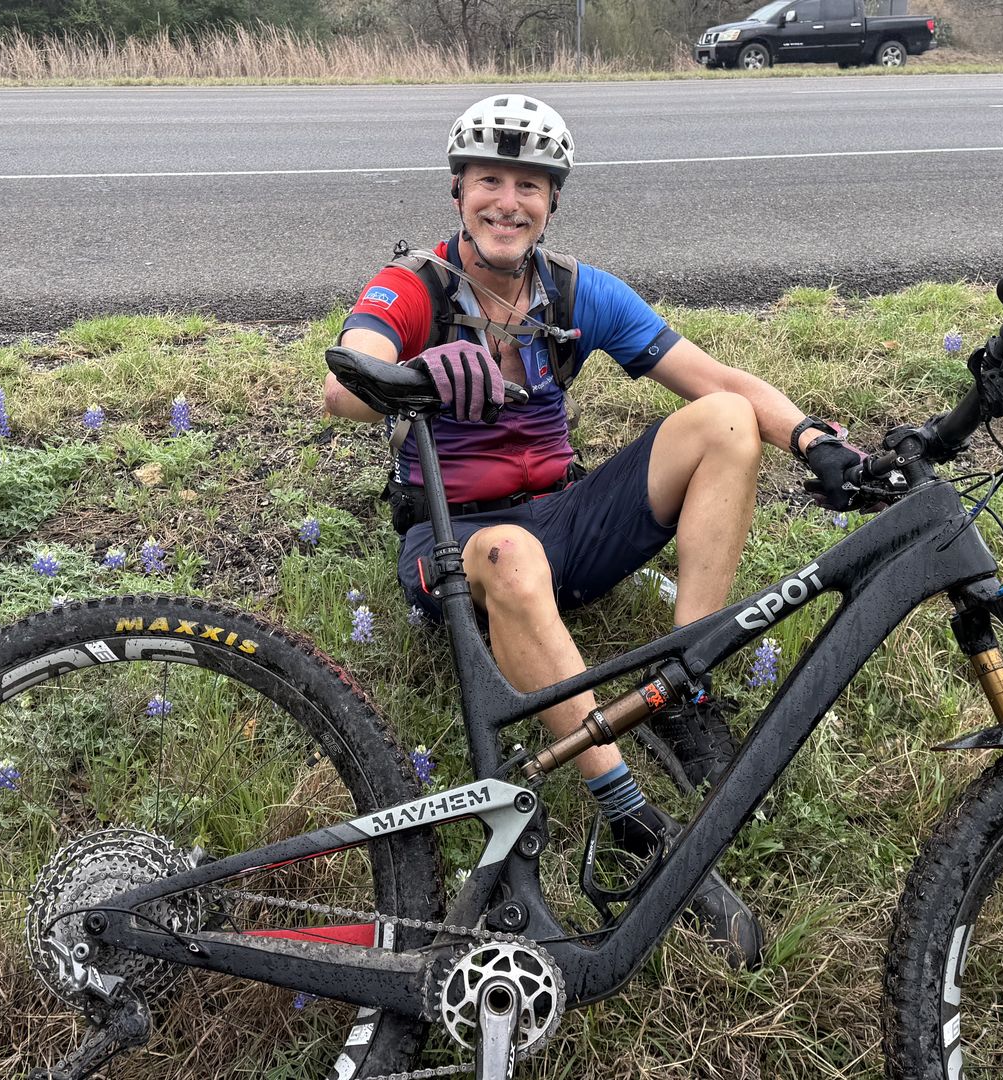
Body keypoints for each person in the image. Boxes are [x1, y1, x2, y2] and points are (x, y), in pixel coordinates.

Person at [321, 94, 871, 969]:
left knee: (726, 419)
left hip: (563, 523)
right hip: (462, 546)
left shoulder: (575, 291)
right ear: (458, 191)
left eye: (529, 186)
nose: (508, 201)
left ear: (553, 201)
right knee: (509, 553)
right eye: (489, 181)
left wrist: (812, 438)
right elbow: (348, 379)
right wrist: (417, 367)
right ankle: (630, 814)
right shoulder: (414, 286)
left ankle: (686, 678)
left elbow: (716, 376)